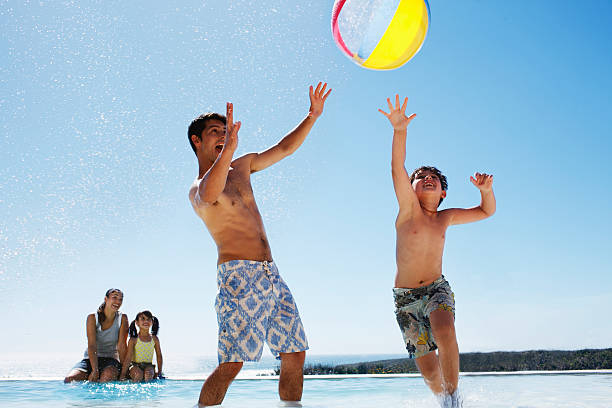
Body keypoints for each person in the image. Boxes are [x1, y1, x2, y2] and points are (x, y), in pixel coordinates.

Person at [187, 82, 331, 406]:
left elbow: (284, 149)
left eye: (225, 130)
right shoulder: (199, 187)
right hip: (238, 276)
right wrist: (226, 154)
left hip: (272, 274)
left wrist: (312, 116)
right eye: (214, 131)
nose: (223, 135)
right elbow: (210, 194)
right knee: (232, 363)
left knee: (294, 352)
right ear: (197, 141)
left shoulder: (241, 167)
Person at [378, 95, 496, 407]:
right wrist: (399, 131)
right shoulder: (408, 211)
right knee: (429, 370)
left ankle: (455, 398)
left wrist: (486, 191)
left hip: (436, 289)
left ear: (443, 193)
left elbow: (486, 212)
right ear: (411, 188)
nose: (427, 180)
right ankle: (444, 398)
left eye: (434, 179)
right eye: (420, 178)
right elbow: (396, 166)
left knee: (445, 330)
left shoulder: (446, 217)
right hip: (405, 299)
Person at [64, 288, 129, 383]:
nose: (118, 302)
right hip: (90, 360)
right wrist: (95, 370)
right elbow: (92, 345)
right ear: (106, 299)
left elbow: (122, 346)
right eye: (114, 297)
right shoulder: (92, 318)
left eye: (120, 299)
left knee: (105, 378)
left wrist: (124, 372)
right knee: (69, 380)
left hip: (111, 360)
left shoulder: (122, 318)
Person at [120, 310, 163, 382]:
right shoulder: (133, 340)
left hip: (149, 365)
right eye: (143, 319)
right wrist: (123, 374)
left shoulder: (154, 339)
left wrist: (159, 372)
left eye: (148, 319)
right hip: (135, 366)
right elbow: (128, 357)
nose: (146, 321)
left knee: (148, 374)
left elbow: (159, 356)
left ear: (152, 322)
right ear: (137, 323)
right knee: (138, 374)